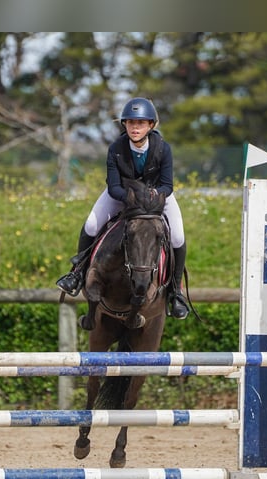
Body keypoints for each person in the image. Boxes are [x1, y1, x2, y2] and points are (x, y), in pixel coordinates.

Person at [56, 97, 189, 319]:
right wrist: (129, 197)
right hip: (122, 195)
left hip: (155, 198)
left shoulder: (163, 148)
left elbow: (167, 184)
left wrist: (154, 196)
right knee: (90, 224)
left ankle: (176, 292)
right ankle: (77, 275)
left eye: (141, 123)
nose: (135, 128)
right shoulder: (116, 148)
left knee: (177, 237)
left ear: (151, 125)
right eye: (131, 123)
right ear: (124, 125)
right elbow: (113, 186)